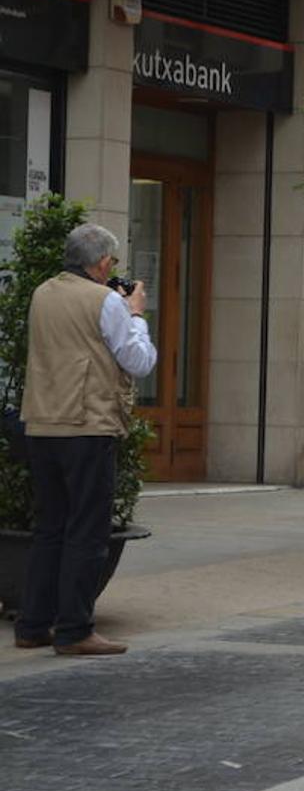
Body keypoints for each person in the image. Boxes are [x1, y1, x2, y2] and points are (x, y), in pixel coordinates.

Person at [13, 224, 157, 656]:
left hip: (42, 423)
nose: (113, 267)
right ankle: (75, 629)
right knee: (88, 531)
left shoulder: (42, 292)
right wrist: (135, 314)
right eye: (111, 260)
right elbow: (139, 360)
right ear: (99, 262)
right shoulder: (106, 301)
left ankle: (33, 624)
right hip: (87, 425)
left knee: (50, 528)